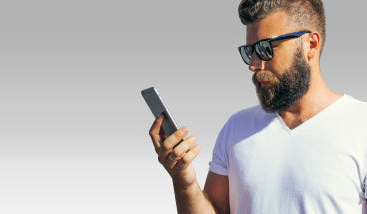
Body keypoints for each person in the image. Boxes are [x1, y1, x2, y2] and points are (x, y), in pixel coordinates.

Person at [149, 0, 367, 213]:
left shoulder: (361, 126)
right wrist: (184, 182)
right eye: (250, 51)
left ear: (311, 44)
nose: (254, 64)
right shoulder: (236, 129)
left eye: (265, 48)